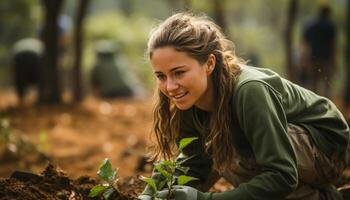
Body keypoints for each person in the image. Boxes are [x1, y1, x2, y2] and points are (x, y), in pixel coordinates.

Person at [138, 13, 349, 200]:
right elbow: (195, 162)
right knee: (223, 148)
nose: (170, 86)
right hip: (293, 153)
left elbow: (282, 175)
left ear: (209, 64)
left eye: (179, 72)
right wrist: (152, 194)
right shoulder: (188, 98)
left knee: (228, 149)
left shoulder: (250, 90)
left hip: (328, 148)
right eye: (161, 76)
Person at [301, 4, 337, 98]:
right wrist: (334, 59)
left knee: (313, 83)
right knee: (327, 83)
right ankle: (327, 104)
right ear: (327, 13)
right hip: (326, 59)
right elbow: (332, 44)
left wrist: (304, 58)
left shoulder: (311, 25)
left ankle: (313, 102)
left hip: (313, 58)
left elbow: (305, 43)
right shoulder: (330, 26)